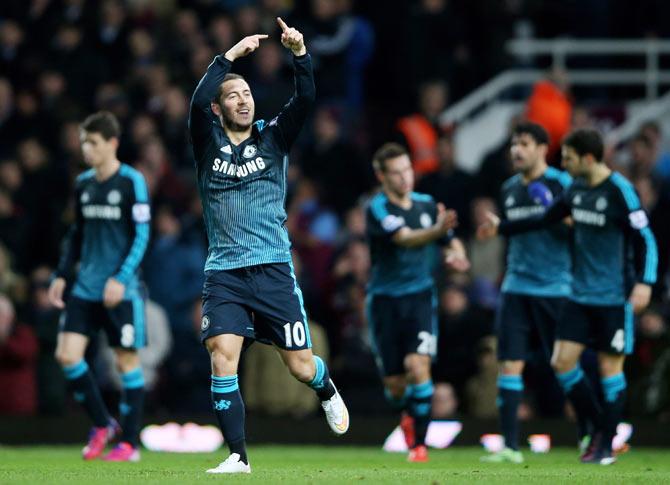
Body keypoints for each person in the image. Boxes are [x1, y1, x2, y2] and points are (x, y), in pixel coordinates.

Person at [189, 18, 348, 475]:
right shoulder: (206, 146)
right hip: (224, 272)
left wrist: (300, 55)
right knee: (222, 354)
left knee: (299, 368)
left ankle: (326, 389)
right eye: (233, 96)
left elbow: (308, 99)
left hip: (274, 269)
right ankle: (238, 456)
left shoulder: (273, 138)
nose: (243, 100)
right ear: (219, 110)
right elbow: (197, 100)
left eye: (246, 94)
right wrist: (230, 57)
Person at [478, 128, 658, 465]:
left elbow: (645, 239)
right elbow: (544, 219)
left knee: (609, 367)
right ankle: (598, 428)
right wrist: (501, 227)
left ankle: (603, 446)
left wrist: (645, 283)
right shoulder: (574, 188)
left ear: (587, 158)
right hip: (578, 294)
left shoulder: (619, 190)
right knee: (562, 362)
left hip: (612, 295)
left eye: (569, 158)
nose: (563, 164)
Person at [48, 111, 151, 462]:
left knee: (126, 362)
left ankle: (130, 444)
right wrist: (62, 274)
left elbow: (141, 236)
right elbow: (76, 235)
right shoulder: (84, 184)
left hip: (121, 290)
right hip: (85, 287)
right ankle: (103, 424)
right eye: (83, 143)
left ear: (112, 143)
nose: (86, 149)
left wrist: (121, 280)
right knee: (67, 355)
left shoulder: (131, 181)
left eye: (92, 143)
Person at [364, 142, 470, 463]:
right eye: (396, 173)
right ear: (381, 176)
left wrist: (457, 256)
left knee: (418, 365)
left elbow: (452, 243)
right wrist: (436, 231)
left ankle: (419, 446)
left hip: (420, 298)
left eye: (407, 170)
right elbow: (405, 239)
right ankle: (407, 414)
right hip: (384, 302)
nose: (404, 178)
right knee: (395, 385)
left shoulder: (426, 205)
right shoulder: (377, 208)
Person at [479, 122, 572, 464]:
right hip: (517, 286)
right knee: (509, 364)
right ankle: (509, 446)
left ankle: (594, 433)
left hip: (555, 286)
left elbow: (578, 231)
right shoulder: (509, 188)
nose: (516, 150)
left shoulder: (562, 183)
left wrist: (553, 210)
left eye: (525, 143)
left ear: (542, 148)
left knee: (566, 364)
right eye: (514, 144)